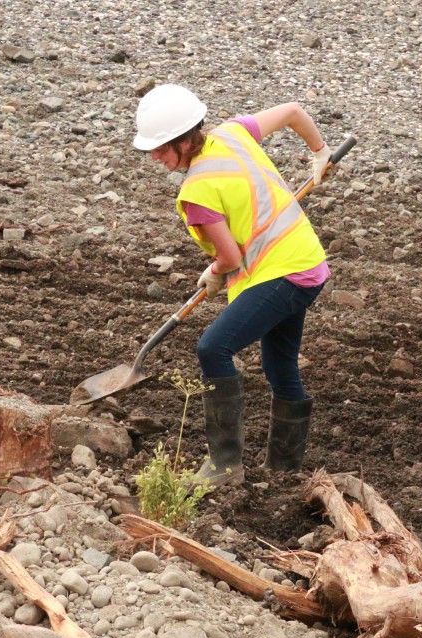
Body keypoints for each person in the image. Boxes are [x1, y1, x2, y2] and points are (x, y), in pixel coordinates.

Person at [133, 83, 334, 488]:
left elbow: (230, 258)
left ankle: (225, 466)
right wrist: (320, 151)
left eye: (162, 147)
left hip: (282, 273)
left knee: (213, 348)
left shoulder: (196, 194)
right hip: (307, 263)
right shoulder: (233, 132)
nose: (155, 156)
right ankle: (284, 470)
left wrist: (216, 272)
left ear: (187, 140)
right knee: (280, 365)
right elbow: (293, 109)